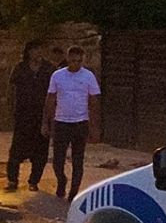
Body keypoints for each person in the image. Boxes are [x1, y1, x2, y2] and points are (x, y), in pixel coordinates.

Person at [43, 46, 101, 200]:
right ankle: (61, 180)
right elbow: (50, 99)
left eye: (79, 61)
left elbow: (94, 102)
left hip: (80, 122)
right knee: (58, 160)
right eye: (73, 60)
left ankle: (74, 192)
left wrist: (95, 127)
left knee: (78, 159)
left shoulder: (88, 76)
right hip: (61, 122)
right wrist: (46, 122)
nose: (76, 64)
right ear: (68, 59)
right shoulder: (57, 76)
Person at [6, 40, 53, 192]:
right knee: (16, 150)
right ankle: (13, 180)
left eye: (40, 49)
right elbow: (12, 90)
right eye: (35, 50)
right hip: (23, 115)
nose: (38, 53)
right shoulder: (20, 68)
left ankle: (34, 181)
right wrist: (12, 109)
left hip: (41, 115)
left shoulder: (48, 69)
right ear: (28, 52)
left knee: (40, 150)